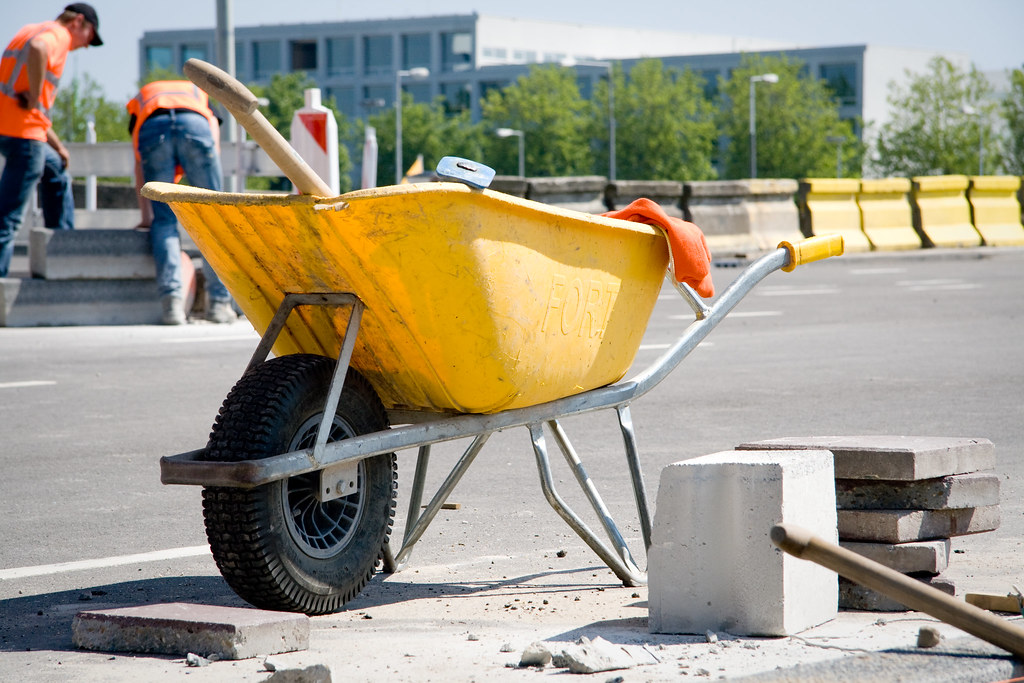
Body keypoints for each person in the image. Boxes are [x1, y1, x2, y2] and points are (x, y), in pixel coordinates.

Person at [0, 3, 101, 276]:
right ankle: (62, 260)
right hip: (25, 137)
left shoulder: (30, 28)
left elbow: (35, 111)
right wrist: (34, 95)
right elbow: (38, 49)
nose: (86, 46)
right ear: (78, 22)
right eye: (90, 37)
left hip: (12, 129)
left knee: (56, 169)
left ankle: (63, 252)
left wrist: (58, 146)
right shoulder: (58, 35)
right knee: (7, 219)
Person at [128, 80, 236, 324]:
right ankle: (219, 304)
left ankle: (172, 307)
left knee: (164, 220)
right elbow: (213, 140)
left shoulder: (142, 103)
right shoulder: (198, 94)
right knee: (212, 217)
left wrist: (147, 217)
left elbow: (140, 169)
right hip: (195, 124)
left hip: (154, 127)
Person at [39, 138, 75, 230]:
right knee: (58, 171)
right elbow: (41, 126)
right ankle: (62, 237)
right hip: (22, 135)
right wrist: (59, 147)